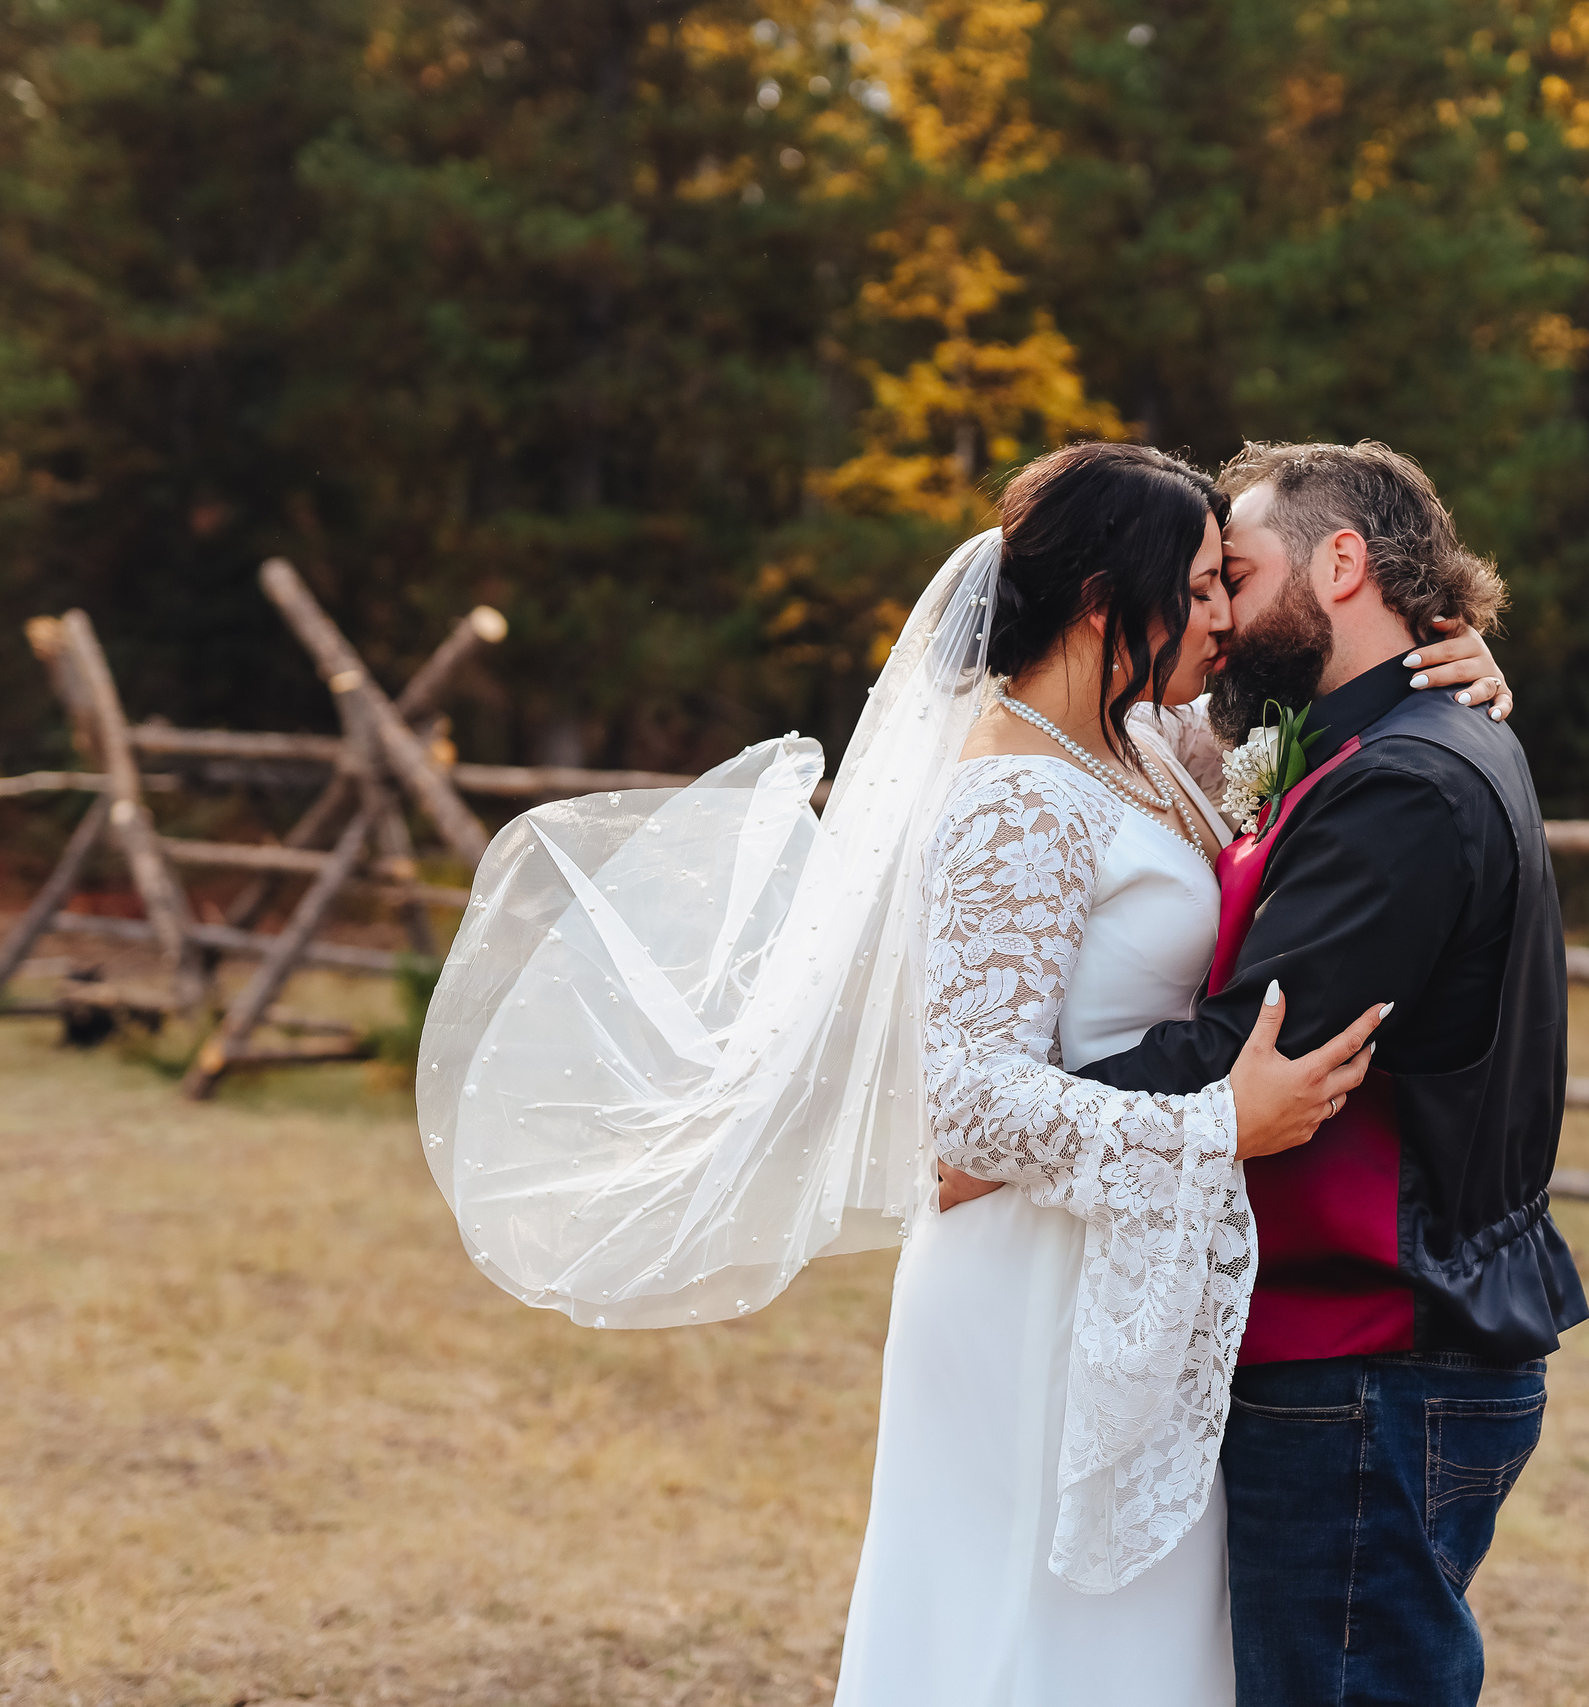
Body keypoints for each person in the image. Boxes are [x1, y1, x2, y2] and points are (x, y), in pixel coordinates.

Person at [415, 439, 1516, 1707]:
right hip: (1025, 1277)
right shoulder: (1014, 797)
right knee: (1030, 1642)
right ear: (1105, 600)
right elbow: (970, 1103)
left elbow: (1340, 712)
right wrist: (1217, 1124)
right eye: (1200, 588)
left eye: (1229, 582)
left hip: (1125, 1261)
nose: (1223, 616)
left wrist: (1459, 668)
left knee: (1152, 1649)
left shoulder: (1150, 743)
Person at [1072, 441, 1588, 1707]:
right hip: (1366, 1349)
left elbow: (1253, 1048)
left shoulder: (1408, 780)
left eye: (1235, 576)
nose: (1215, 615)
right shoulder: (1387, 743)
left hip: (1368, 1353)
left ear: (1341, 563)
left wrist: (1019, 1114)